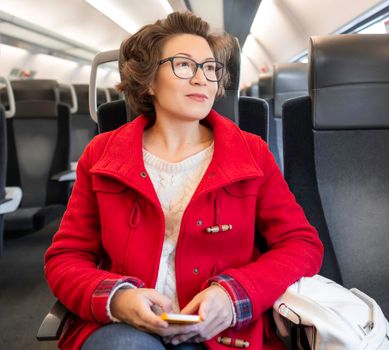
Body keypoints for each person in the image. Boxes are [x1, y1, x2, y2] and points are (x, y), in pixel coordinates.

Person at [44, 11, 323, 350]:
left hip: (221, 332)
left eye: (209, 68)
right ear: (148, 81)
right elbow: (66, 257)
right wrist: (116, 299)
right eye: (184, 65)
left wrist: (234, 293)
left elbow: (301, 245)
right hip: (126, 328)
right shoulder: (102, 155)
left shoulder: (251, 153)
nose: (202, 79)